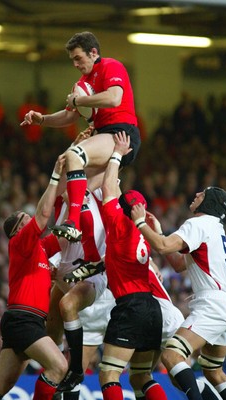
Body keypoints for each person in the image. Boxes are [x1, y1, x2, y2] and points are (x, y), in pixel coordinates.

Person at [21, 31, 141, 242]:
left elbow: (114, 98)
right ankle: (93, 256)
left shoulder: (111, 66)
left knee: (74, 155)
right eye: (72, 60)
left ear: (93, 52)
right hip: (103, 136)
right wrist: (42, 119)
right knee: (70, 193)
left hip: (121, 133)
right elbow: (69, 115)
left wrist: (79, 101)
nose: (75, 64)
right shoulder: (83, 82)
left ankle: (73, 224)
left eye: (78, 58)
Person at [131, 186, 226, 400]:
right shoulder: (214, 227)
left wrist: (140, 223)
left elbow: (162, 247)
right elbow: (179, 265)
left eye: (202, 194)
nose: (196, 195)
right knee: (213, 371)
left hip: (212, 304)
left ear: (209, 202)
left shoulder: (198, 223)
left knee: (172, 355)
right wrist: (159, 232)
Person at [0, 155, 69, 400]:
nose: (30, 217)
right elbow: (42, 215)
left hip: (24, 320)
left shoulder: (39, 248)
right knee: (59, 367)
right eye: (24, 217)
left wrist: (71, 173)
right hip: (23, 319)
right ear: (18, 229)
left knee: (0, 386)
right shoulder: (20, 243)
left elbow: (63, 235)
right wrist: (54, 176)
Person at [98, 131, 164, 400]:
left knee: (108, 374)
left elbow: (108, 190)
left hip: (130, 306)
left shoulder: (118, 224)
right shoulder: (145, 232)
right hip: (151, 308)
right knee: (141, 376)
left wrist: (117, 154)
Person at [47, 177, 109, 396]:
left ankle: (75, 370)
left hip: (92, 274)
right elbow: (58, 245)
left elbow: (107, 171)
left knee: (67, 305)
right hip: (66, 272)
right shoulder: (61, 200)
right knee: (52, 357)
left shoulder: (101, 193)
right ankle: (63, 369)